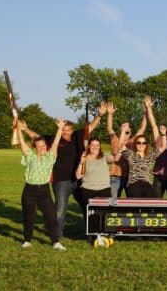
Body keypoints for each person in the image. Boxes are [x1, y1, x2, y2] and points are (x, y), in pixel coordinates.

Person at [20, 102, 107, 239]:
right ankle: (57, 237)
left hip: (80, 180)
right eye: (64, 130)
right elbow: (36, 137)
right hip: (61, 181)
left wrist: (100, 115)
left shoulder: (78, 136)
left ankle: (91, 233)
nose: (66, 132)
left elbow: (91, 126)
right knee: (60, 209)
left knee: (87, 207)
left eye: (68, 130)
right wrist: (25, 129)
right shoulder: (54, 139)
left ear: (72, 130)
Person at [14, 118, 67, 250]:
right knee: (29, 217)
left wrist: (60, 128)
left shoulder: (50, 157)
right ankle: (27, 240)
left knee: (51, 217)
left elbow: (55, 143)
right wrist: (19, 130)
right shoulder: (30, 156)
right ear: (35, 147)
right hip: (29, 190)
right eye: (39, 146)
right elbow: (22, 143)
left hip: (44, 191)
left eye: (44, 145)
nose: (42, 148)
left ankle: (56, 242)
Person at [113, 97, 166, 198]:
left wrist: (163, 134)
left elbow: (163, 147)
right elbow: (121, 146)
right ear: (135, 144)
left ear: (146, 145)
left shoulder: (150, 156)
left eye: (144, 143)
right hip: (134, 184)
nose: (141, 145)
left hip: (147, 184)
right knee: (136, 202)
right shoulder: (131, 155)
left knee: (152, 202)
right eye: (138, 143)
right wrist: (123, 132)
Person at [106, 101, 147, 198]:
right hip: (115, 176)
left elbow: (142, 129)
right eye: (124, 126)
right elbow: (109, 129)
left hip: (130, 177)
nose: (126, 128)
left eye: (128, 127)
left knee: (132, 202)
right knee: (113, 201)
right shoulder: (115, 140)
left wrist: (146, 113)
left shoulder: (133, 142)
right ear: (120, 129)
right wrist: (110, 114)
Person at [75, 137, 113, 220]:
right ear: (89, 146)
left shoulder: (104, 156)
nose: (95, 147)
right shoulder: (84, 158)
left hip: (104, 190)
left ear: (100, 147)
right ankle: (90, 228)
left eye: (97, 145)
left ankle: (102, 228)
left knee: (104, 215)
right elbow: (78, 176)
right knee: (90, 217)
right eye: (92, 145)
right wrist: (81, 162)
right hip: (88, 191)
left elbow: (115, 158)